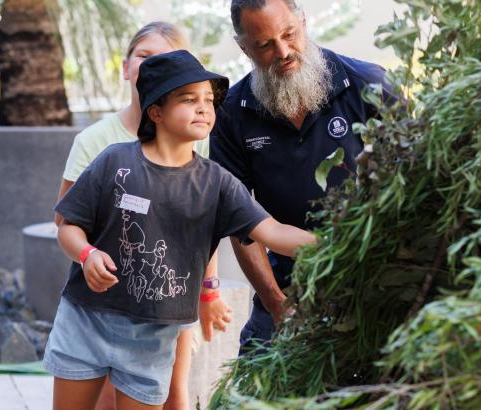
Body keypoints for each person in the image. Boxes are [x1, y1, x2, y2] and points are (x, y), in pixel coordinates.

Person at [45, 49, 316, 410]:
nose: (204, 107)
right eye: (189, 99)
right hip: (85, 322)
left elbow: (275, 233)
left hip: (154, 339)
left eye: (209, 99)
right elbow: (67, 227)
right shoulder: (114, 161)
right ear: (156, 111)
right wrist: (87, 254)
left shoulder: (218, 184)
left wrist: (336, 243)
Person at [209, 0, 396, 351]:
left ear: (303, 21)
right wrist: (277, 303)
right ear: (243, 47)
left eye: (289, 34)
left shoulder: (368, 85)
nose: (283, 51)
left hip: (372, 273)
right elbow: (239, 220)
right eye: (264, 45)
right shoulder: (231, 113)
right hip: (283, 281)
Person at [54, 22, 231, 410]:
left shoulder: (194, 141)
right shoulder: (96, 142)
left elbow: (204, 228)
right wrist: (88, 257)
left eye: (166, 59)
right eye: (144, 56)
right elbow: (65, 219)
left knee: (173, 394)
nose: (153, 66)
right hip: (102, 303)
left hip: (168, 299)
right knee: (101, 397)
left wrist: (209, 289)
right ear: (126, 67)